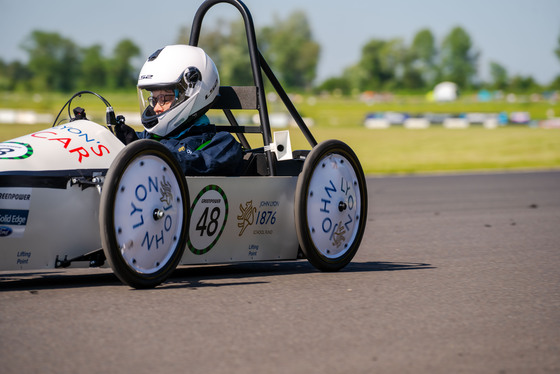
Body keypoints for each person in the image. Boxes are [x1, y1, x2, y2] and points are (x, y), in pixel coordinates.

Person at [115, 45, 243, 176]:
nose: (157, 108)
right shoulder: (148, 138)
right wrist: (120, 141)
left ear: (191, 92)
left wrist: (146, 153)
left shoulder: (223, 145)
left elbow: (193, 163)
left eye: (165, 98)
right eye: (154, 100)